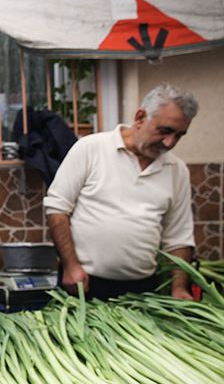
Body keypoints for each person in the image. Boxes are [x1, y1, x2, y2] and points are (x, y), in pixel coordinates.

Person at [43, 83, 198, 300]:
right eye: (165, 131)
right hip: (84, 283)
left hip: (144, 290)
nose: (169, 142)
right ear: (140, 117)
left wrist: (178, 288)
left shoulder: (177, 170)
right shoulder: (91, 148)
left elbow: (179, 237)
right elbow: (57, 208)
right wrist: (70, 266)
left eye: (179, 135)